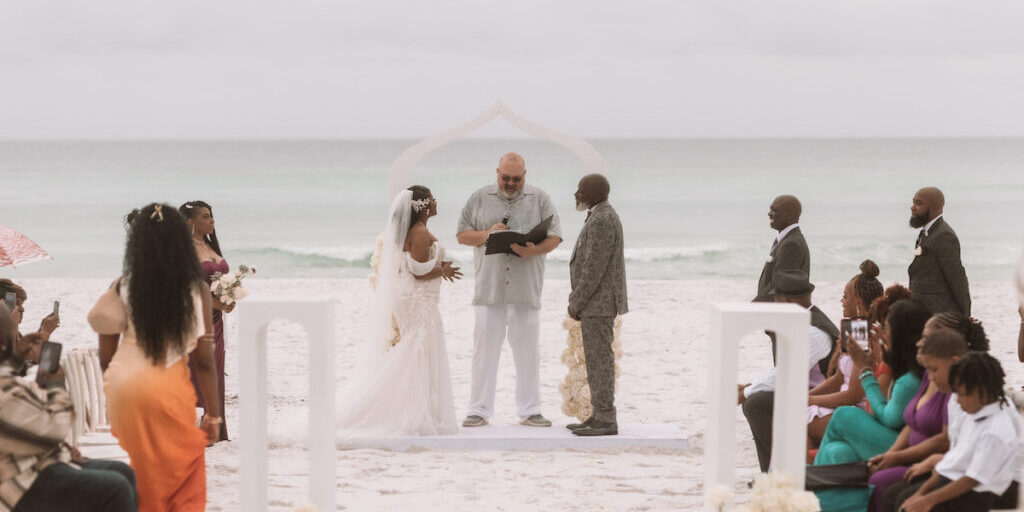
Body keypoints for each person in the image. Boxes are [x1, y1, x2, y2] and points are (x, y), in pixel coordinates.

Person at [89, 203, 221, 512]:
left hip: (123, 387)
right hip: (166, 387)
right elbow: (204, 360)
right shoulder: (196, 289)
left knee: (142, 468)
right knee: (183, 474)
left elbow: (106, 357)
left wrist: (121, 388)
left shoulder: (122, 285)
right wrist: (214, 415)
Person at [337, 186, 461, 436]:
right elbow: (417, 270)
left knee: (415, 348)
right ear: (423, 205)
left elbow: (411, 263)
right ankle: (411, 411)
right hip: (418, 299)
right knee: (417, 350)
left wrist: (437, 265)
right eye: (432, 199)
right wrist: (442, 271)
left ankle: (411, 407)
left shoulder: (411, 231)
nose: (437, 202)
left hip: (409, 297)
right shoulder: (421, 231)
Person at [456, 152, 562, 428]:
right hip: (489, 289)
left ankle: (530, 409)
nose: (511, 183)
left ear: (525, 174)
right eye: (505, 178)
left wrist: (534, 250)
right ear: (497, 173)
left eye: (517, 178)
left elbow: (556, 236)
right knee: (484, 353)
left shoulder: (540, 198)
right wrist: (487, 235)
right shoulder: (479, 197)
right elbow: (461, 234)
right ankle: (478, 410)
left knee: (528, 353)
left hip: (526, 289)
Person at [0, 311, 138, 512]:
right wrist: (56, 385)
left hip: (28, 465)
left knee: (123, 471)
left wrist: (15, 358)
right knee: (115, 488)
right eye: (14, 337)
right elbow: (57, 428)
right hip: (16, 486)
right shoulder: (5, 392)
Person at [812, 299, 931, 511]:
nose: (883, 334)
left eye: (887, 328)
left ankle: (811, 489)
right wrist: (878, 359)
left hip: (906, 448)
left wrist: (865, 370)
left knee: (844, 415)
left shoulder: (910, 380)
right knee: (838, 451)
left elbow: (888, 417)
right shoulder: (908, 372)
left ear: (900, 335)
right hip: (896, 441)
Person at [739, 269, 837, 472]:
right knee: (756, 398)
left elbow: (786, 373)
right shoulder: (805, 322)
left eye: (776, 301)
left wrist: (746, 392)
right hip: (809, 391)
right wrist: (751, 386)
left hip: (824, 396)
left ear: (787, 301)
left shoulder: (814, 333)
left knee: (755, 403)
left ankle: (775, 473)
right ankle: (772, 470)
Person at [896, 352, 1020, 512]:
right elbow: (951, 464)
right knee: (901, 499)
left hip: (976, 495)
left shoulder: (994, 432)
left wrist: (927, 500)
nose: (958, 401)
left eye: (962, 395)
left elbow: (971, 480)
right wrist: (920, 494)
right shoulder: (974, 412)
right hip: (956, 480)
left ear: (981, 391)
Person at [566, 174, 628, 437]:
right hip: (596, 303)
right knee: (596, 360)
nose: (576, 194)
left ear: (593, 193)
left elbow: (594, 267)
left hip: (599, 303)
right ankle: (598, 415)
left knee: (600, 361)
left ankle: (605, 419)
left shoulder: (602, 219)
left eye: (580, 189)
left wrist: (575, 301)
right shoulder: (600, 214)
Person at [806, 261, 885, 446]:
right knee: (795, 410)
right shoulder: (855, 329)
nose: (842, 301)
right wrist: (806, 397)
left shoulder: (868, 335)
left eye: (845, 297)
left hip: (857, 412)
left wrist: (810, 400)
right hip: (843, 407)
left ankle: (806, 470)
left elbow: (853, 395)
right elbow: (837, 380)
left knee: (794, 419)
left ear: (858, 302)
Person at [180, 200, 231, 443]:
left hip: (216, 321)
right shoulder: (184, 250)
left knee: (216, 370)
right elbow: (185, 289)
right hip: (196, 320)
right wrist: (216, 302)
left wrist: (230, 297)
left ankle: (214, 427)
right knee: (199, 370)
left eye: (211, 216)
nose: (212, 220)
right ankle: (197, 428)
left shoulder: (209, 245)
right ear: (191, 221)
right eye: (206, 216)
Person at [753, 195, 810, 362]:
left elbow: (779, 285)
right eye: (770, 209)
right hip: (777, 317)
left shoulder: (791, 244)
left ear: (790, 215)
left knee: (783, 368)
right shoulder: (785, 240)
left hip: (783, 318)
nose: (769, 214)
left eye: (774, 210)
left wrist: (750, 309)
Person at [907, 187, 970, 316]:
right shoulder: (926, 232)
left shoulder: (944, 235)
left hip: (938, 316)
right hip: (923, 314)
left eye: (919, 203)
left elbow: (957, 279)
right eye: (913, 202)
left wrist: (965, 316)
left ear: (935, 208)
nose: (912, 207)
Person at [0, 279, 60, 374]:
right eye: (17, 304)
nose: (22, 309)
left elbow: (33, 358)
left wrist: (43, 330)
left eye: (21, 304)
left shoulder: (16, 334)